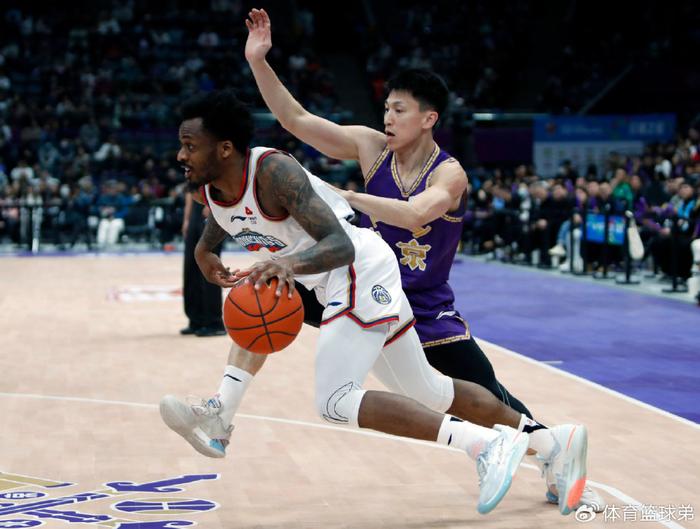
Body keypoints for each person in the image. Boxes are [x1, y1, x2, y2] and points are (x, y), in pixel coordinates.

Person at [159, 89, 589, 516]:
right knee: (430, 390)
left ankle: (486, 444)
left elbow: (340, 245)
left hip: (355, 267)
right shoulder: (210, 189)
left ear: (225, 149)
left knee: (335, 400)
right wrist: (204, 252)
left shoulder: (273, 171)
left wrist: (286, 263)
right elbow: (223, 220)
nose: (181, 155)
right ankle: (553, 441)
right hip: (342, 280)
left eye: (190, 146)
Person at [243, 8, 601, 512]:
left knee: (483, 398)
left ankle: (553, 446)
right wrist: (259, 61)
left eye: (399, 110)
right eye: (386, 108)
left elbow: (415, 215)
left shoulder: (449, 174)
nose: (387, 118)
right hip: (369, 290)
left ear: (428, 118)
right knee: (269, 293)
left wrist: (348, 198)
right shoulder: (371, 147)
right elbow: (296, 120)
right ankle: (224, 402)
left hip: (427, 307)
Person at [180, 190, 226, 337]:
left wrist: (212, 204)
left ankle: (214, 322)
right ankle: (196, 319)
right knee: (191, 267)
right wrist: (187, 219)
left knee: (209, 266)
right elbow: (190, 189)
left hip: (212, 204)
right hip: (196, 208)